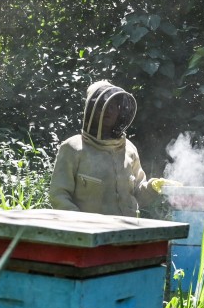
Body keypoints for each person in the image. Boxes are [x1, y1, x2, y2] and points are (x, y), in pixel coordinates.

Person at [49, 80, 164, 216]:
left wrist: (153, 187)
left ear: (119, 111)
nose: (108, 110)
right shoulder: (73, 147)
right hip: (88, 233)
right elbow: (59, 195)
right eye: (102, 105)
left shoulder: (129, 149)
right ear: (91, 109)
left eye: (113, 106)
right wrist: (81, 224)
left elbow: (138, 194)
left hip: (127, 231)